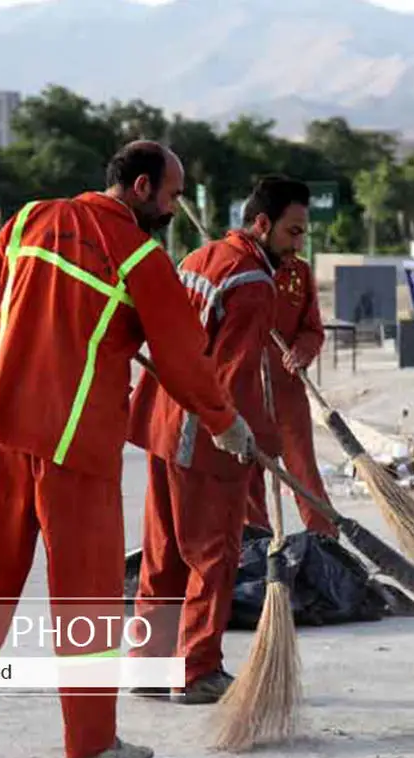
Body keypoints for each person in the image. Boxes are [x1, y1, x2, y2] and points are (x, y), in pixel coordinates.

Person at [0, 140, 255, 758]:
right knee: (86, 602)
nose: (175, 209)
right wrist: (226, 423)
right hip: (74, 449)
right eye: (174, 195)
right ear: (141, 187)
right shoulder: (141, 260)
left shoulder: (26, 221)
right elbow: (185, 360)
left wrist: (45, 326)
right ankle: (92, 744)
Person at [126, 175, 310, 704]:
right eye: (293, 232)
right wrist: (265, 441)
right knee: (214, 555)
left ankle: (147, 665)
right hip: (203, 436)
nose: (298, 246)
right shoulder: (253, 283)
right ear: (261, 225)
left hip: (162, 421)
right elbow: (233, 379)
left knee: (163, 556)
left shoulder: (201, 259)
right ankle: (197, 670)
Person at [243, 252, 338, 539]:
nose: (297, 243)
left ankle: (326, 543)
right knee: (247, 479)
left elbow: (313, 329)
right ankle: (258, 548)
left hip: (287, 391)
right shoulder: (239, 267)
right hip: (243, 390)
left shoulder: (299, 272)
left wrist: (303, 350)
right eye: (291, 232)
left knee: (304, 472)